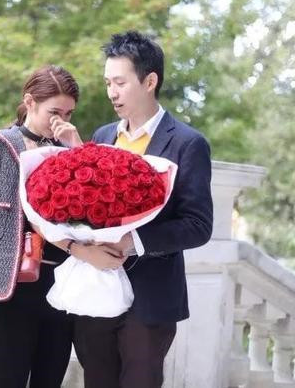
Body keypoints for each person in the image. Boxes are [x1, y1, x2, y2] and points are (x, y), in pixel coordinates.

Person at [0, 65, 124, 388]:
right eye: (54, 112)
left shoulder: (68, 150)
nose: (61, 120)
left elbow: (98, 206)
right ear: (30, 102)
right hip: (17, 282)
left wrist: (76, 146)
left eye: (69, 113)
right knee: (9, 377)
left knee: (51, 377)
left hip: (63, 282)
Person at [72, 31, 214, 388]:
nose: (112, 92)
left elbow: (198, 225)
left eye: (120, 82)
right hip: (96, 291)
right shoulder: (103, 136)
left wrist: (132, 241)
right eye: (108, 83)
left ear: (150, 81)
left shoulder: (188, 143)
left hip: (150, 299)